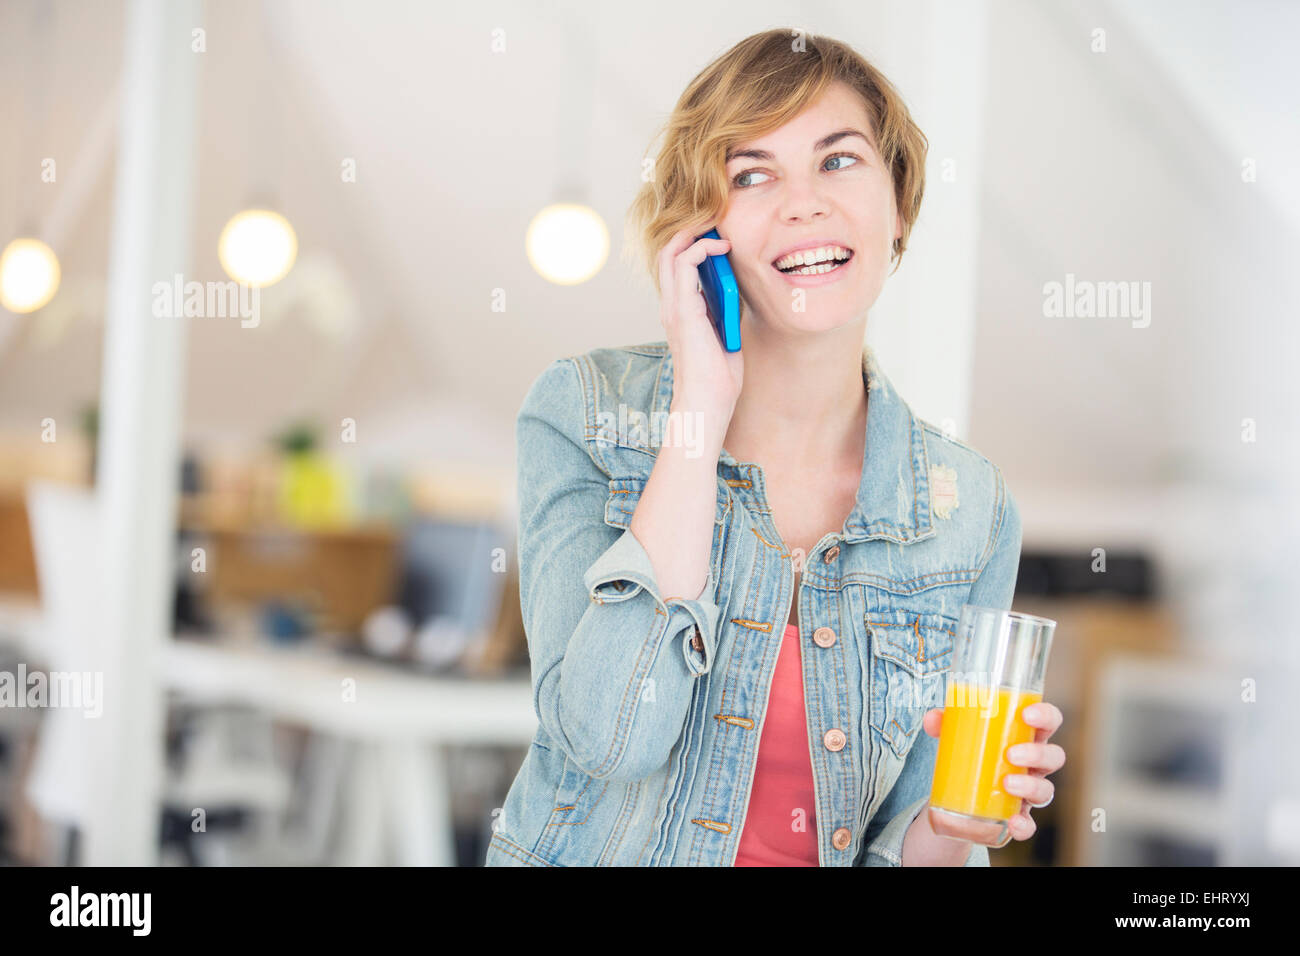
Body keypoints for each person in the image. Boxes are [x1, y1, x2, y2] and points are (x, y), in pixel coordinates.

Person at [486, 27, 1064, 868]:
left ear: (897, 206)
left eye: (838, 161)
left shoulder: (969, 507)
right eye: (753, 175)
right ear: (701, 234)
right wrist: (699, 411)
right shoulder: (585, 415)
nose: (804, 203)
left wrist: (948, 833)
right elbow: (611, 740)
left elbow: (907, 837)